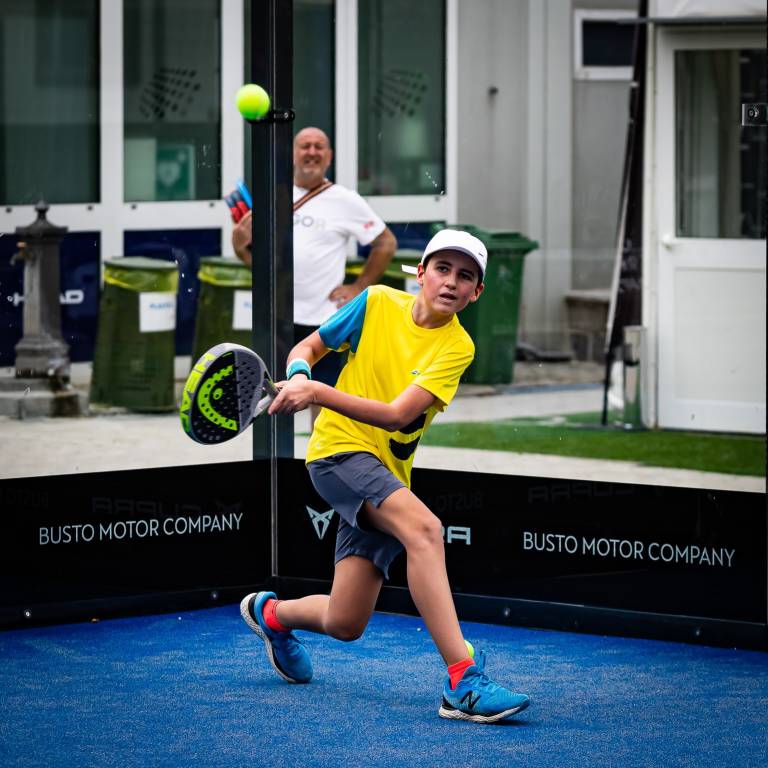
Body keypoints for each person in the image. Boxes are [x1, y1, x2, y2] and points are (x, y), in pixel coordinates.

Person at [239, 228, 531, 724]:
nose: (451, 282)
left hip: (385, 470)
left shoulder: (458, 348)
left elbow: (397, 415)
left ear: (476, 293)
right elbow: (307, 348)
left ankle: (271, 615)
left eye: (465, 277)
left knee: (346, 620)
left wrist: (315, 394)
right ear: (420, 272)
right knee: (425, 531)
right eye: (442, 269)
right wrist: (304, 376)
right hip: (337, 453)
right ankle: (462, 678)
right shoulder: (374, 302)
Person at [232, 126, 397, 424]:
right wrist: (240, 248)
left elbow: (386, 243)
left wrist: (359, 285)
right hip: (279, 320)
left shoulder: (345, 200)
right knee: (273, 407)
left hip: (324, 325)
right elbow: (259, 265)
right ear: (293, 154)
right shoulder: (273, 196)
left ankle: (317, 466)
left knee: (324, 412)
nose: (312, 152)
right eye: (305, 146)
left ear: (329, 156)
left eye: (319, 146)